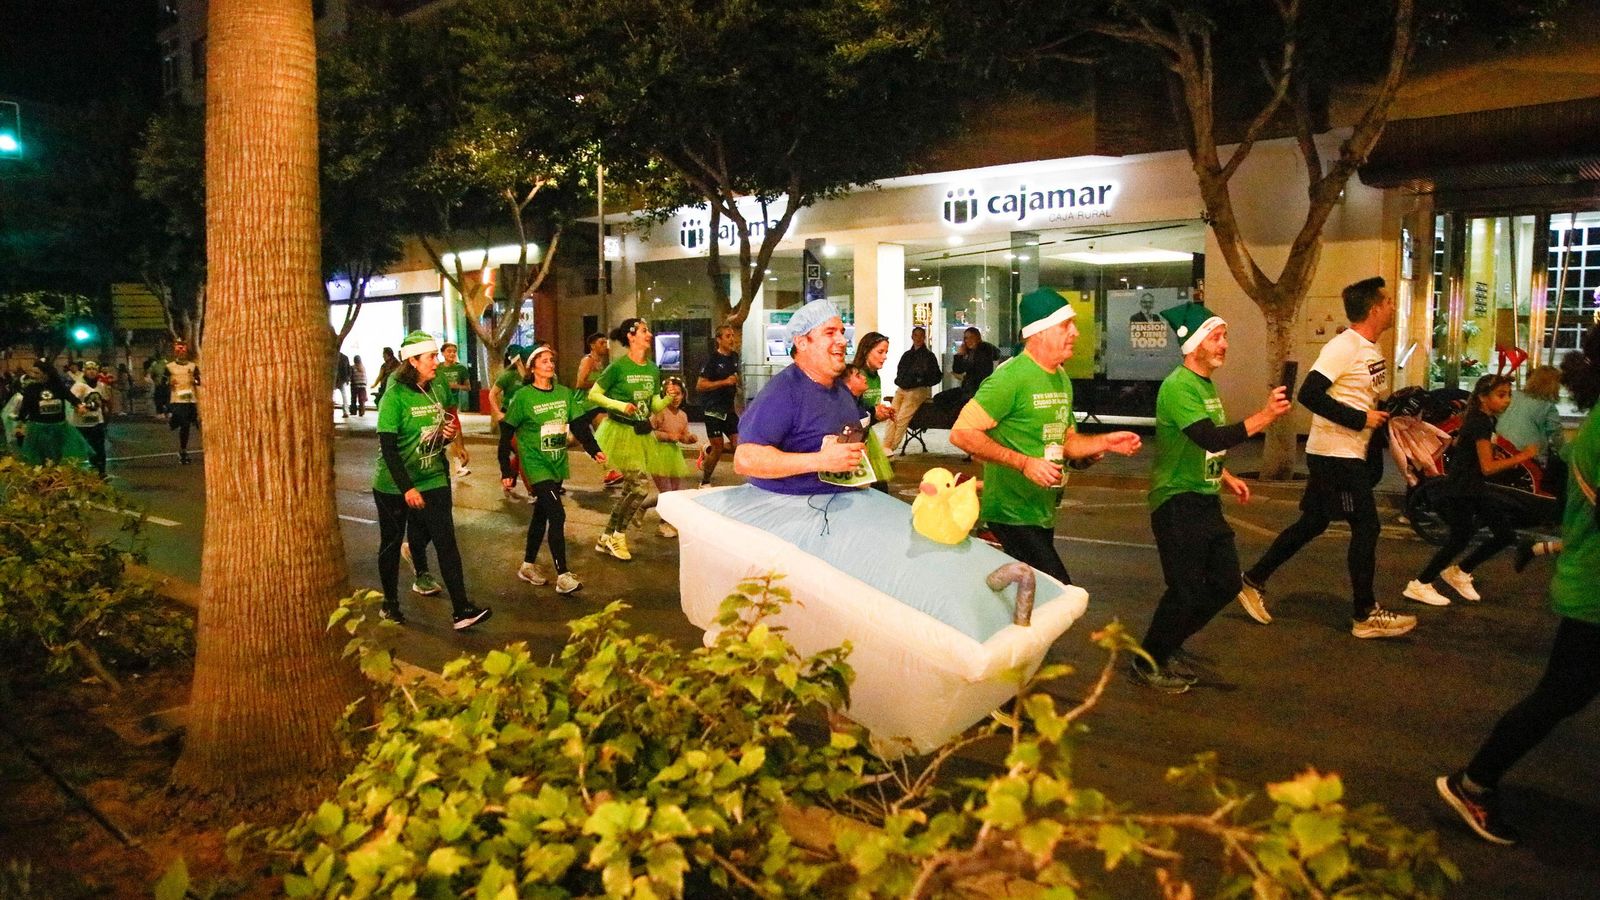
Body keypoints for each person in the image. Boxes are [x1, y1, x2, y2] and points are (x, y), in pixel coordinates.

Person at [1436, 324, 1600, 846]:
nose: (1507, 400)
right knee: (1556, 697)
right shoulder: (1485, 424)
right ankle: (1475, 782)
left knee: (1559, 695)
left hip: (1582, 577)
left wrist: (1545, 546)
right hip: (1593, 593)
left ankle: (1475, 780)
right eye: (1499, 393)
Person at [1237, 277, 1416, 639]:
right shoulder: (1344, 346)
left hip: (1348, 454)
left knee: (1313, 523)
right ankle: (1365, 614)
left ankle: (1253, 580)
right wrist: (1359, 419)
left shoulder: (1370, 348)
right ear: (1373, 309)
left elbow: (1364, 400)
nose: (1393, 307)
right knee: (1367, 527)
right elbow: (1310, 394)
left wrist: (1377, 432)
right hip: (1335, 455)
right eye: (1389, 302)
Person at [1130, 303, 1291, 693]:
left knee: (1223, 583)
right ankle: (1147, 658)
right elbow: (1212, 438)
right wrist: (1265, 416)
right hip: (1176, 501)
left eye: (1224, 337)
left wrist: (1226, 476)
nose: (1225, 345)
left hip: (1203, 498)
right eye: (1216, 337)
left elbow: (1201, 448)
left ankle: (1166, 645)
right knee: (1185, 590)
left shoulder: (1204, 387)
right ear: (1194, 344)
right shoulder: (1178, 387)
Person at [950, 287, 1142, 584]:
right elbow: (962, 433)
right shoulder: (1011, 376)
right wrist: (1025, 463)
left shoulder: (1060, 376)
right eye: (1066, 325)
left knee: (1029, 604)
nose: (1076, 333)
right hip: (1009, 514)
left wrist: (1102, 442)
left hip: (1042, 510)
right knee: (1060, 592)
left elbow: (1064, 440)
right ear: (1039, 332)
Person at [372, 330, 491, 630]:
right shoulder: (394, 395)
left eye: (436, 355)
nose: (436, 362)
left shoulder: (437, 385)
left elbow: (448, 417)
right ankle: (390, 604)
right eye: (431, 357)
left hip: (434, 475)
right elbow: (388, 448)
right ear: (412, 361)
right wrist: (406, 488)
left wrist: (452, 438)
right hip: (393, 483)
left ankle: (461, 609)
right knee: (391, 542)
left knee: (446, 541)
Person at [1402, 374, 1537, 607]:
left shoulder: (1481, 418)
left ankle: (1459, 572)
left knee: (1501, 535)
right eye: (1501, 395)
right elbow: (1487, 467)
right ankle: (1420, 583)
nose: (1507, 400)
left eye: (1509, 395)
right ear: (1484, 398)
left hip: (1471, 488)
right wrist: (1521, 457)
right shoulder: (1480, 422)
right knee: (1461, 538)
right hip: (1463, 490)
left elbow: (1467, 451)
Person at [498, 343, 604, 595]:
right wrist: (507, 471)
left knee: (542, 515)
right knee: (557, 514)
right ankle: (563, 575)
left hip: (556, 463)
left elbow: (579, 425)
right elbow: (506, 436)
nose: (550, 364)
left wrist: (594, 449)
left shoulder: (564, 394)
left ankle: (527, 565)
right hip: (535, 465)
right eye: (543, 360)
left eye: (551, 360)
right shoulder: (522, 397)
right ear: (532, 367)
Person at [734, 298, 869, 495]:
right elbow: (744, 459)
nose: (842, 340)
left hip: (839, 501)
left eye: (841, 332)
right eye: (830, 332)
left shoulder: (841, 391)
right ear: (802, 342)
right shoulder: (783, 392)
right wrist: (820, 461)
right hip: (789, 506)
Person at [588, 319, 670, 560]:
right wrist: (620, 405)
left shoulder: (653, 369)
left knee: (629, 490)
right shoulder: (617, 367)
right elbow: (594, 394)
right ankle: (618, 536)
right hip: (620, 432)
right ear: (631, 336)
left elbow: (653, 403)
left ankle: (607, 536)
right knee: (640, 487)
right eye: (645, 331)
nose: (650, 334)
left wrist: (668, 400)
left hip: (641, 433)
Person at [15, 361, 93, 467]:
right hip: (38, 429)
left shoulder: (58, 386)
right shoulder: (31, 388)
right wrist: (20, 424)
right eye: (32, 372)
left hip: (59, 428)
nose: (33, 376)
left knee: (59, 458)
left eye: (37, 373)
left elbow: (70, 397)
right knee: (40, 460)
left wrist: (79, 406)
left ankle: (57, 480)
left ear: (46, 374)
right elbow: (25, 407)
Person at [649, 376, 697, 535]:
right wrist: (667, 436)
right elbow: (649, 433)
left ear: (684, 395)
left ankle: (668, 519)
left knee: (675, 492)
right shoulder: (660, 412)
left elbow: (682, 435)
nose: (675, 397)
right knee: (667, 492)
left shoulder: (682, 415)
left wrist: (688, 439)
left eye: (678, 393)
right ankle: (664, 523)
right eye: (671, 394)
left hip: (674, 455)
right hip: (658, 454)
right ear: (663, 395)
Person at [849, 332, 896, 491]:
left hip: (868, 434)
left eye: (886, 352)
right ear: (866, 351)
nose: (884, 357)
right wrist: (874, 413)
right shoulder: (856, 377)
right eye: (880, 352)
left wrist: (880, 412)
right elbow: (854, 410)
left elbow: (871, 409)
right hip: (856, 437)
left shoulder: (876, 376)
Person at [576, 332, 623, 488]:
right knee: (590, 437)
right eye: (602, 343)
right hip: (584, 405)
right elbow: (580, 383)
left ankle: (610, 470)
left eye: (606, 343)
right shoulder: (588, 360)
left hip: (596, 404)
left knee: (605, 435)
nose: (605, 346)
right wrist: (601, 384)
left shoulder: (602, 362)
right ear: (592, 345)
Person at [696, 324, 742, 485]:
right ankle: (705, 481)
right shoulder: (711, 360)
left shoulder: (735, 357)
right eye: (728, 336)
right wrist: (724, 382)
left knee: (740, 444)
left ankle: (707, 448)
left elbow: (735, 379)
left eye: (732, 335)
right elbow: (700, 385)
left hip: (728, 409)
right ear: (719, 339)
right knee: (718, 448)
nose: (732, 339)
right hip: (713, 409)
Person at [887, 325, 942, 454]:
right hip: (902, 388)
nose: (918, 338)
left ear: (924, 338)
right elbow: (900, 371)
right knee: (891, 416)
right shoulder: (907, 355)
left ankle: (891, 447)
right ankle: (886, 445)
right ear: (912, 337)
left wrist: (922, 381)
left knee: (901, 418)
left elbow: (936, 376)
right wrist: (901, 381)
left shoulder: (929, 356)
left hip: (917, 390)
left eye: (921, 336)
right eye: (916, 335)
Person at [490, 345, 529, 500]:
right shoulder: (508, 376)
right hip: (509, 418)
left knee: (524, 452)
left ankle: (509, 477)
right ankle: (532, 490)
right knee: (521, 451)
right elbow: (492, 394)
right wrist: (498, 414)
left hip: (526, 419)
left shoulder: (532, 376)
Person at [435, 342, 473, 478]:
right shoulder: (437, 368)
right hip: (440, 406)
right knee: (448, 434)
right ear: (443, 353)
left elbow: (468, 387)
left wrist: (454, 386)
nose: (451, 354)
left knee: (454, 432)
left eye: (454, 351)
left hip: (452, 404)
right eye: (449, 351)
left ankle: (458, 465)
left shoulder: (461, 369)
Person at [69, 360, 110, 477]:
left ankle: (101, 471)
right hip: (81, 424)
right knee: (80, 450)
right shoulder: (79, 386)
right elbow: (72, 401)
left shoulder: (100, 385)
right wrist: (82, 406)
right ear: (84, 371)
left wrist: (104, 409)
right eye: (89, 369)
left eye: (94, 369)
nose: (91, 372)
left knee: (99, 448)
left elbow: (102, 400)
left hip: (97, 422)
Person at [163, 340, 201, 465]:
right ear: (175, 352)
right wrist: (169, 382)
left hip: (190, 399)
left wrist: (194, 380)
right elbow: (162, 383)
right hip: (177, 399)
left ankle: (183, 450)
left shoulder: (192, 366)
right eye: (178, 350)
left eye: (183, 350)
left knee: (188, 425)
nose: (181, 353)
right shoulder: (169, 367)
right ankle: (182, 448)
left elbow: (198, 381)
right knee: (182, 422)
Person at [952, 326, 999, 395]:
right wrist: (959, 355)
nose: (968, 340)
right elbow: (958, 370)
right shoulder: (969, 352)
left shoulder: (985, 348)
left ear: (978, 338)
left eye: (971, 337)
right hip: (968, 388)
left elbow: (975, 369)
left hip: (978, 389)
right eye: (966, 338)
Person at [146, 348, 171, 419]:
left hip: (159, 385)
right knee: (168, 399)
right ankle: (169, 412)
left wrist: (152, 382)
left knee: (159, 399)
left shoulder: (155, 364)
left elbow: (148, 375)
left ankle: (161, 413)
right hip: (167, 384)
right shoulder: (167, 363)